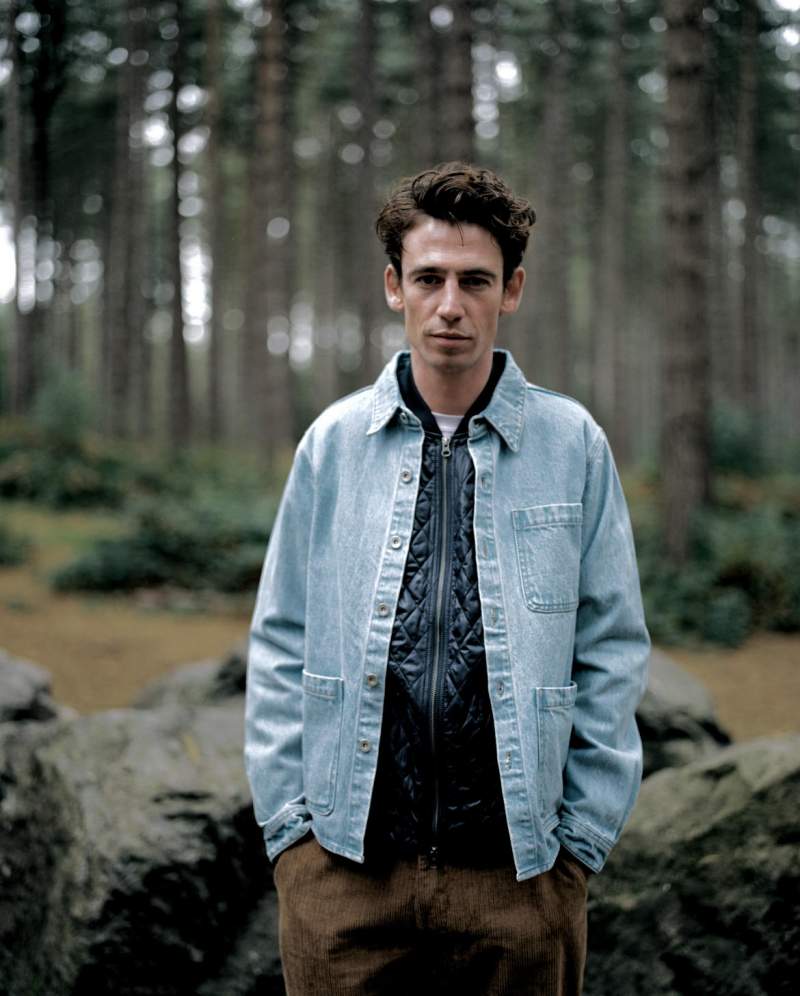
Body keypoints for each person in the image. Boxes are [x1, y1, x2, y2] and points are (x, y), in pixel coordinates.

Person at [244, 162, 650, 996]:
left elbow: (612, 644)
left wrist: (578, 844)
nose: (451, 305)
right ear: (394, 286)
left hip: (519, 881)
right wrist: (292, 838)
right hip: (343, 875)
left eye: (476, 280)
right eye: (429, 278)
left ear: (513, 290)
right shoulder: (333, 445)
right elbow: (281, 636)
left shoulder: (572, 445)